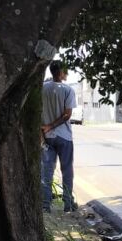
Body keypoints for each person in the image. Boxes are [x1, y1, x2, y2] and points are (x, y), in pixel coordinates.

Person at [41, 60, 77, 213]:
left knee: (46, 171)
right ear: (61, 72)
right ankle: (68, 204)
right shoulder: (68, 90)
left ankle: (45, 205)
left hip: (46, 136)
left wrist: (45, 128)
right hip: (64, 137)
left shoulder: (42, 88)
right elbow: (67, 115)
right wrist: (52, 125)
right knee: (67, 170)